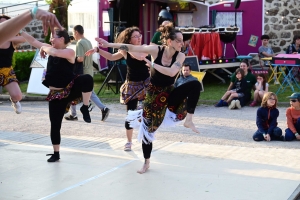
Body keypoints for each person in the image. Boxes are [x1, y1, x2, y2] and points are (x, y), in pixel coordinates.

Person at [96, 24, 200, 174]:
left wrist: (152, 65)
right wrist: (108, 44)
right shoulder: (155, 50)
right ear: (169, 41)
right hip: (153, 96)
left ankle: (189, 119)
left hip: (170, 94)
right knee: (147, 131)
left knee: (195, 84)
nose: (182, 44)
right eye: (178, 41)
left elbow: (171, 73)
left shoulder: (181, 55)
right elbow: (129, 47)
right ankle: (146, 162)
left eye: (182, 41)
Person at [20, 29, 93, 162]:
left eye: (53, 37)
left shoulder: (69, 51)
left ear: (61, 39)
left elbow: (54, 52)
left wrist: (43, 47)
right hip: (55, 94)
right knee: (55, 124)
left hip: (70, 88)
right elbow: (32, 41)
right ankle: (56, 153)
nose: (51, 40)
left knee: (87, 78)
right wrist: (20, 30)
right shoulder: (49, 48)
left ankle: (85, 107)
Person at [85, 26, 150, 151]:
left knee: (147, 112)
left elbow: (141, 55)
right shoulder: (126, 50)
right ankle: (129, 141)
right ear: (129, 39)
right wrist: (98, 50)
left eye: (139, 36)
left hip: (146, 84)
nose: (139, 38)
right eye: (135, 36)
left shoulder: (144, 47)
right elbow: (111, 56)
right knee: (130, 114)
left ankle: (146, 136)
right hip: (132, 85)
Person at [64, 25, 110, 122]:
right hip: (89, 70)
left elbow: (80, 58)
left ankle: (103, 108)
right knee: (88, 92)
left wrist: (71, 58)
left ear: (76, 32)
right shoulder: (88, 41)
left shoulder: (80, 43)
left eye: (73, 33)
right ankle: (74, 113)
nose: (73, 35)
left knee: (77, 90)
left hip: (82, 71)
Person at [0, 15, 27, 114]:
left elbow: (24, 38)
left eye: (6, 24)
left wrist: (12, 32)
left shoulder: (12, 40)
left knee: (18, 96)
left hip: (7, 71)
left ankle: (14, 100)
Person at [173, 63, 201, 132]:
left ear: (190, 71)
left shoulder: (193, 80)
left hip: (187, 96)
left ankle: (188, 120)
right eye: (184, 70)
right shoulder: (178, 79)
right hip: (178, 96)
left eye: (187, 70)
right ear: (181, 71)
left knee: (195, 86)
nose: (185, 71)